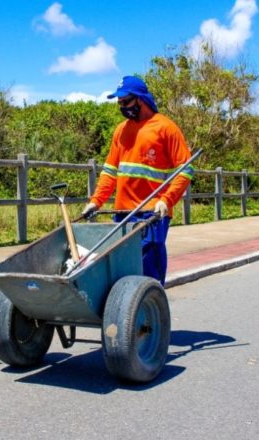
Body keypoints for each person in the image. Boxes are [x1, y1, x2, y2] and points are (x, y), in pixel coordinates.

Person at [82, 75, 194, 285]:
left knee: (148, 271)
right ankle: (127, 315)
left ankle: (152, 314)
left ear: (140, 99)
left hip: (153, 213)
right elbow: (109, 172)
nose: (121, 106)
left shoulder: (165, 128)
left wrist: (167, 200)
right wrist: (96, 201)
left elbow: (185, 170)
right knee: (123, 271)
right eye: (119, 103)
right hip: (122, 213)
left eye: (125, 102)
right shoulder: (121, 131)